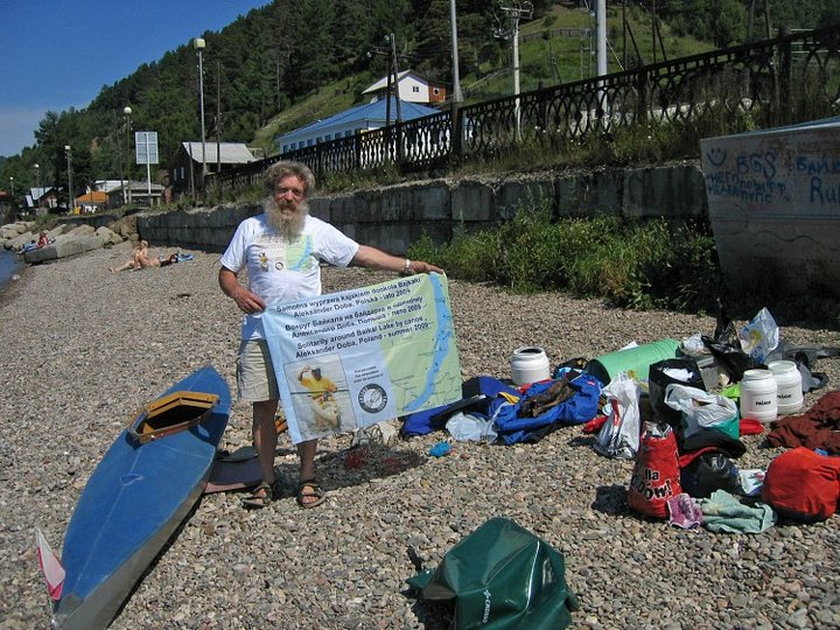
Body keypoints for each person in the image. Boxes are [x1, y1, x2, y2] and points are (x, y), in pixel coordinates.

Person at [219, 160, 442, 509]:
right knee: (264, 409)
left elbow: (360, 255)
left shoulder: (316, 230)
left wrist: (409, 265)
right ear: (272, 193)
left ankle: (308, 478)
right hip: (260, 335)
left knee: (314, 405)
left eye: (296, 192)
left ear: (305, 197)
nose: (289, 197)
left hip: (309, 335)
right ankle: (266, 480)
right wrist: (237, 293)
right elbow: (226, 273)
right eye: (283, 190)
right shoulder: (250, 228)